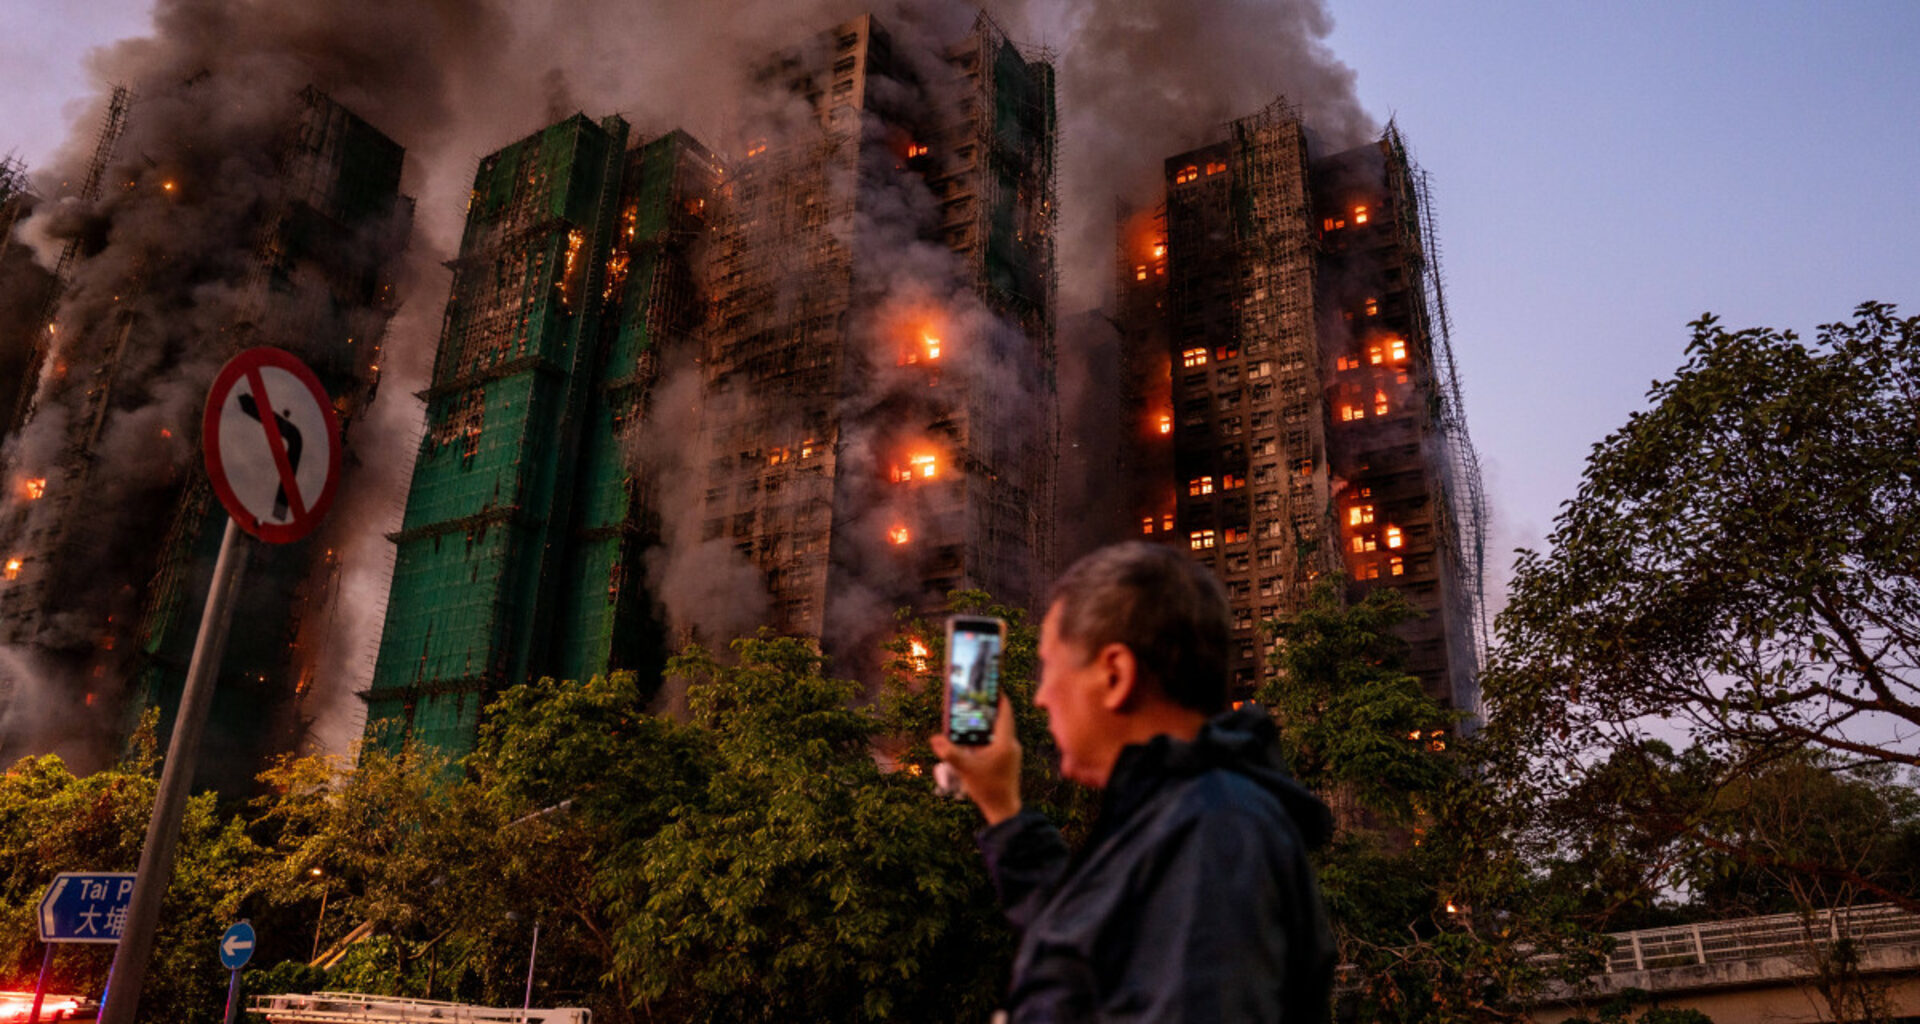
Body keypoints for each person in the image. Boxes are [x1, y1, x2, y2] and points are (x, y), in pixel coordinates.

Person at [932, 542, 1335, 1022]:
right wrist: (1002, 807)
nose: (1039, 698)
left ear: (1115, 675)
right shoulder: (1181, 816)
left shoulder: (1215, 834)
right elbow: (1081, 947)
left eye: (1049, 668)